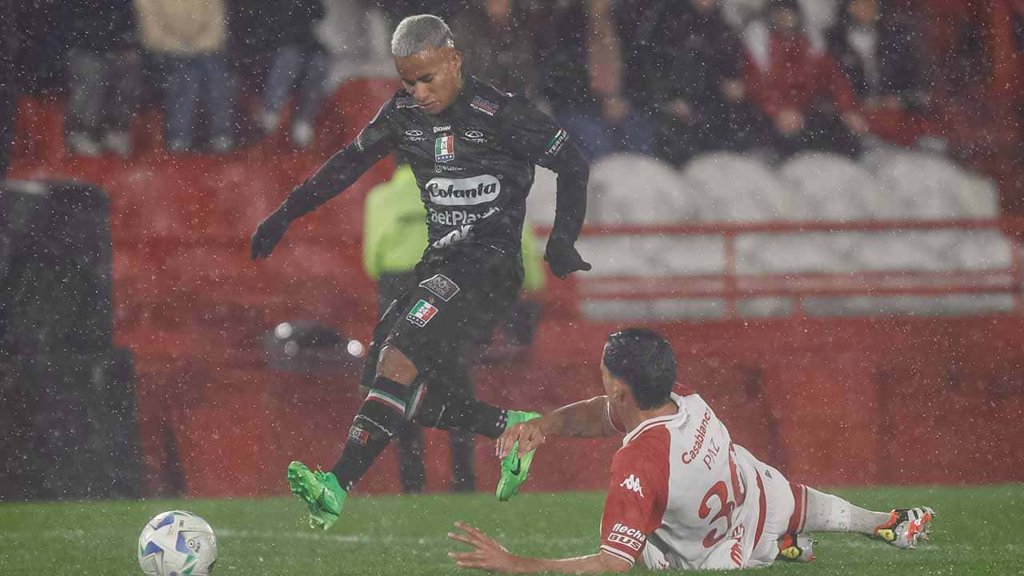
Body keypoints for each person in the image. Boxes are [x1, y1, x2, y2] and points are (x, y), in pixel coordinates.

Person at [250, 14, 591, 529]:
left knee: (400, 363)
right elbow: (346, 163)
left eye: (427, 78)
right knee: (387, 382)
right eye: (408, 81)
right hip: (437, 267)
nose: (419, 92)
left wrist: (563, 240)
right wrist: (284, 214)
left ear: (454, 58)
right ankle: (512, 426)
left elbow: (572, 159)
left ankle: (336, 486)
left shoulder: (500, 113)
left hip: (489, 266)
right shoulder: (403, 114)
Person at [449, 329, 935, 572]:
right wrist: (546, 426)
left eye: (605, 373)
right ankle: (885, 522)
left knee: (648, 550)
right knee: (787, 496)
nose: (601, 380)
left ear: (621, 388)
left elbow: (609, 565)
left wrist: (514, 564)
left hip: (716, 557)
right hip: (751, 496)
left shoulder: (636, 461)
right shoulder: (687, 403)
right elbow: (605, 412)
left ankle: (773, 548)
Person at [742, 0, 868, 158]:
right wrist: (779, 111)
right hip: (772, 117)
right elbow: (757, 86)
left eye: (789, 14)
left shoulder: (809, 45)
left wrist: (849, 110)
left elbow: (836, 81)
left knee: (842, 140)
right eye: (780, 14)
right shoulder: (760, 46)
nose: (785, 19)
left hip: (806, 114)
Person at [134, 0, 235, 153]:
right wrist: (179, 46)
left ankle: (220, 135)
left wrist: (195, 46)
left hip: (203, 49)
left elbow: (216, 25)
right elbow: (151, 32)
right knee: (186, 76)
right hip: (164, 52)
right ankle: (178, 137)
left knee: (214, 74)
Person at [61, 0, 139, 157]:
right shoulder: (73, 5)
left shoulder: (120, 4)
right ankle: (83, 131)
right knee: (92, 73)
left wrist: (125, 46)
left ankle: (116, 128)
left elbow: (129, 27)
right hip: (83, 51)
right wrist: (98, 47)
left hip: (113, 50)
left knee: (128, 69)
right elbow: (68, 31)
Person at [257, 0, 330, 149]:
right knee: (289, 60)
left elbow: (319, 13)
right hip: (275, 46)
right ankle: (271, 109)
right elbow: (267, 23)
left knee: (318, 65)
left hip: (303, 45)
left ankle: (304, 121)